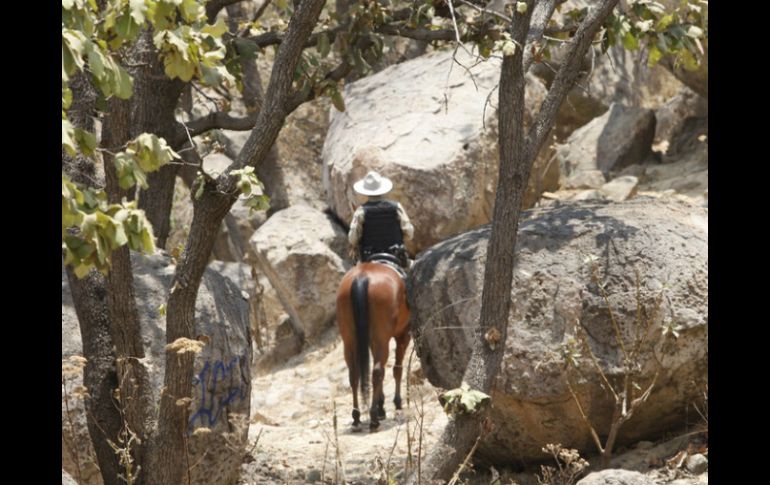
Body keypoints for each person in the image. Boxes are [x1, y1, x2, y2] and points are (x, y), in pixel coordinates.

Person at [348, 171, 414, 269]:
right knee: (415, 271)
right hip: (395, 255)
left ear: (366, 191)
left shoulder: (361, 211)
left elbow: (353, 239)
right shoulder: (396, 207)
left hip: (368, 257)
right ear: (382, 189)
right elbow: (409, 233)